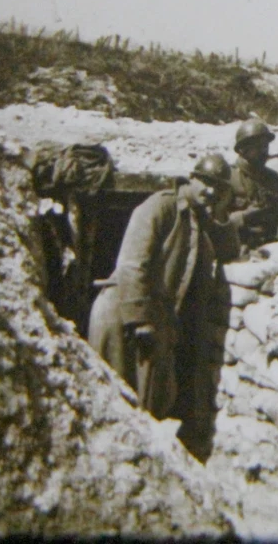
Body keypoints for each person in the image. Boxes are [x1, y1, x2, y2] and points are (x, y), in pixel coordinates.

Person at [87, 153, 233, 459]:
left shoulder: (196, 222)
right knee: (110, 402)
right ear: (190, 179)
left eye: (219, 188)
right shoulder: (160, 206)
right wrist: (140, 321)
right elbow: (132, 264)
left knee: (144, 407)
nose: (212, 192)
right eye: (206, 183)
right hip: (122, 315)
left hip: (151, 322)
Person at [227, 118, 278, 254]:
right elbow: (216, 224)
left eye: (265, 146)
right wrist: (244, 216)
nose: (264, 151)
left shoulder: (272, 178)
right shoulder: (228, 178)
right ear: (242, 149)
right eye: (257, 147)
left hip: (273, 245)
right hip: (241, 248)